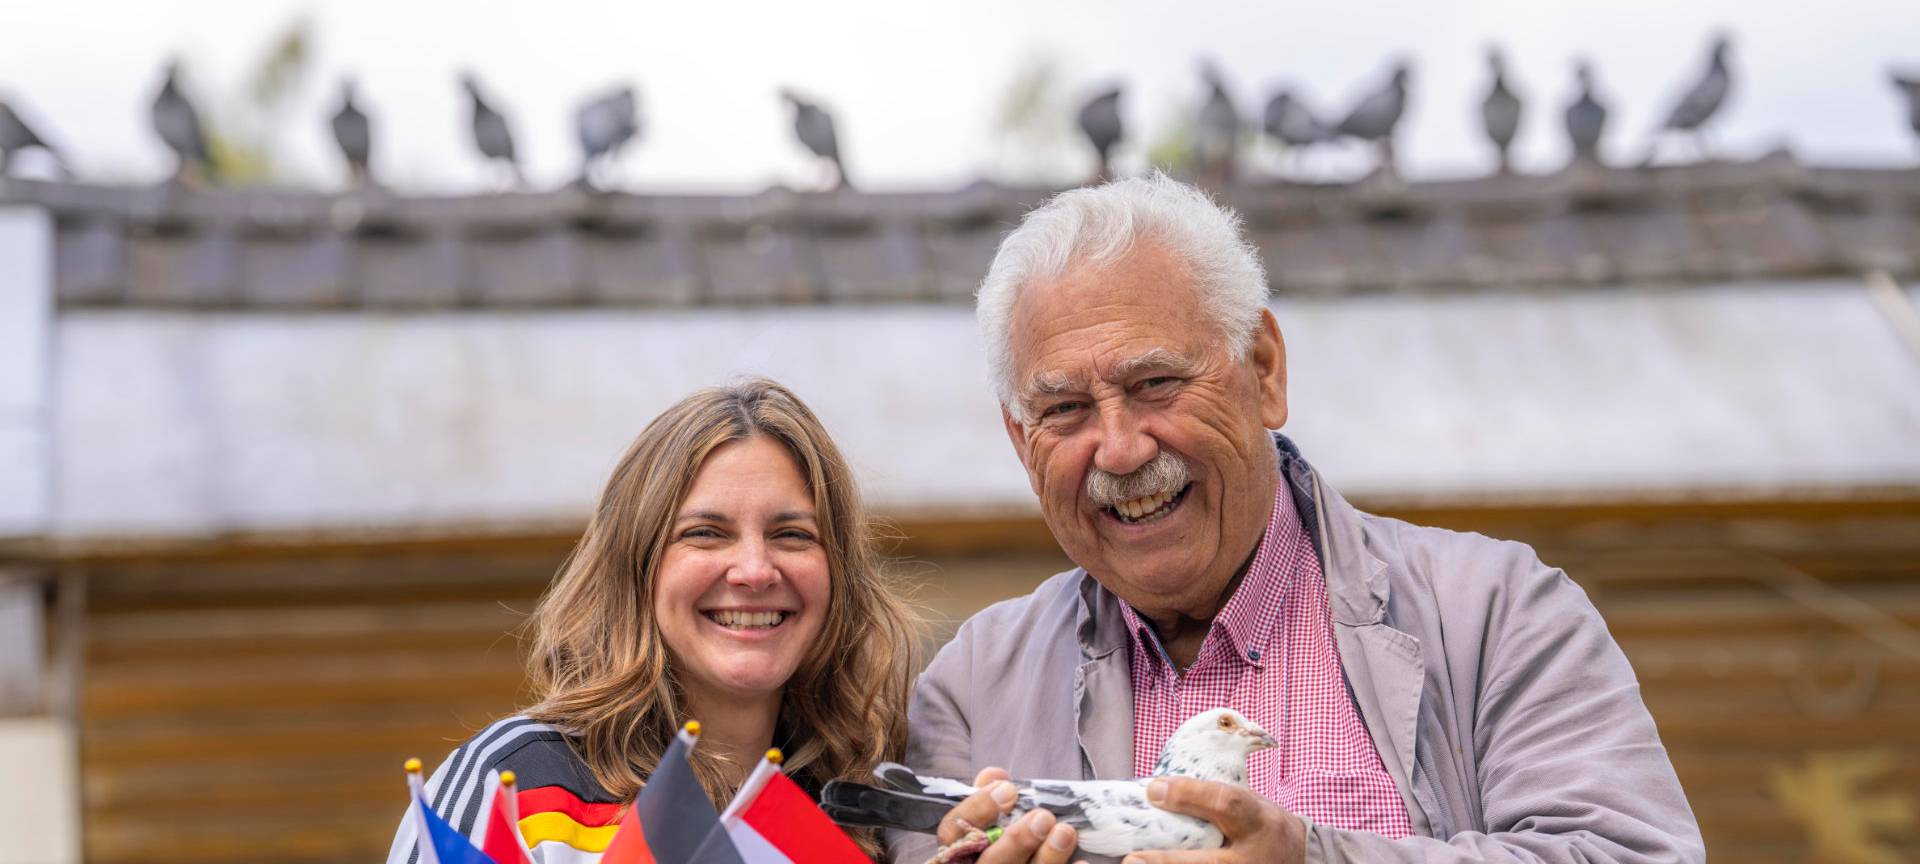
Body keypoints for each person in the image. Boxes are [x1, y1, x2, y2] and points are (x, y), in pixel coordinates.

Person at [896, 175, 1704, 864]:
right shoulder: (971, 689)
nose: (1118, 448)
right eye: (1066, 408)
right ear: (1019, 439)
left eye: (1156, 385)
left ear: (1263, 371)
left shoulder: (1497, 612)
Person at [387, 378, 918, 863]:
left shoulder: (877, 802)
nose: (755, 570)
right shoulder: (517, 787)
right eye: (706, 533)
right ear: (636, 566)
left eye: (793, 535)